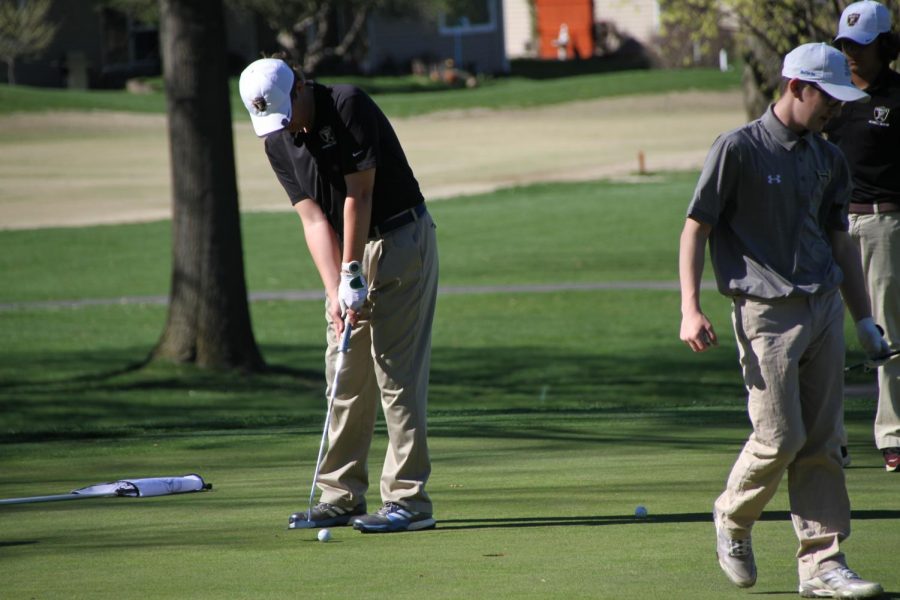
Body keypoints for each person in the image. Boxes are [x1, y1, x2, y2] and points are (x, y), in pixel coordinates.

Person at [678, 43, 889, 598]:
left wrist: (863, 318)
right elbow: (695, 228)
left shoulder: (828, 157)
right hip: (764, 315)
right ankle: (733, 516)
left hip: (822, 307)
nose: (836, 111)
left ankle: (822, 561)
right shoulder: (738, 149)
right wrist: (690, 307)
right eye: (828, 98)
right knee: (780, 437)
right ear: (797, 86)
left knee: (822, 439)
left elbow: (840, 239)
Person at [238, 57, 439, 533]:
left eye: (289, 112)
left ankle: (408, 501)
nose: (288, 127)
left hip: (398, 241)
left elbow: (360, 196)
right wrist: (334, 289)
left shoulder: (347, 104)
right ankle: (341, 494)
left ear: (303, 86)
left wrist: (351, 271)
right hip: (348, 250)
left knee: (395, 373)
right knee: (344, 371)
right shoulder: (277, 139)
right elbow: (311, 218)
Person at [824, 0, 900, 473]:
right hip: (830, 225)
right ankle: (828, 437)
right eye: (846, 44)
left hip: (883, 225)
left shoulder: (897, 96)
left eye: (861, 45)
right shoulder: (830, 94)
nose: (852, 53)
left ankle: (893, 433)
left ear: (885, 46)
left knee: (885, 331)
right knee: (821, 331)